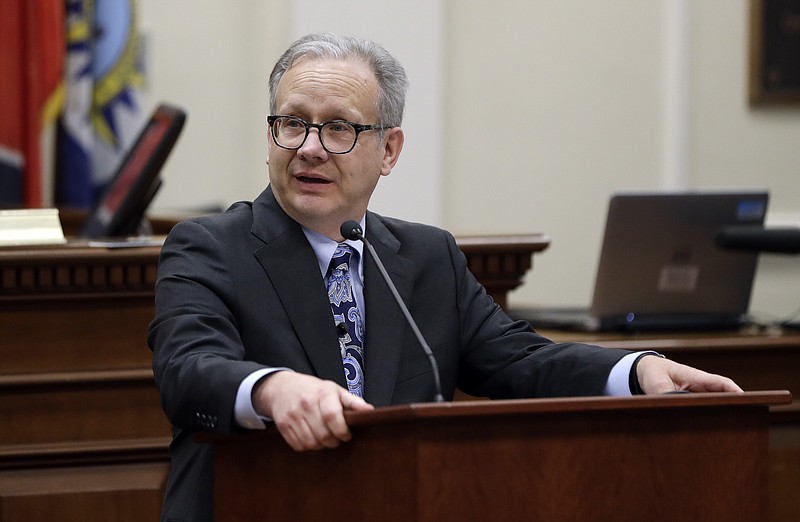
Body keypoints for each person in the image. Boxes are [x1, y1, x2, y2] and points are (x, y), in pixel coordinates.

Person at [148, 33, 741, 522]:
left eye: (339, 129)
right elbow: (188, 370)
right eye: (292, 124)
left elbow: (519, 362)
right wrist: (272, 388)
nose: (309, 149)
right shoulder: (209, 247)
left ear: (389, 150)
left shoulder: (425, 256)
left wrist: (635, 371)